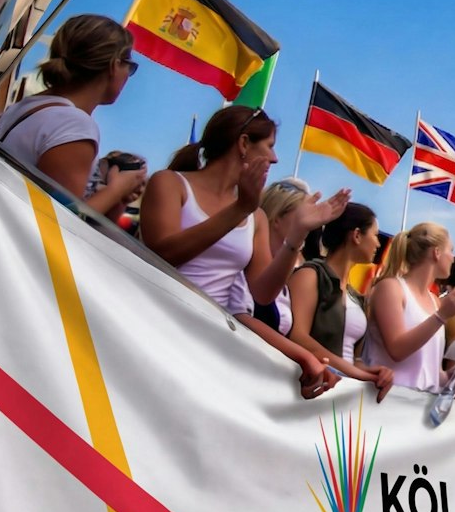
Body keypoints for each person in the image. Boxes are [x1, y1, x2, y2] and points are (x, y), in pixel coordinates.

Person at [139, 105, 349, 398]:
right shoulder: (170, 183)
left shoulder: (256, 216)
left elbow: (262, 293)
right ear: (243, 143)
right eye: (270, 146)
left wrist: (297, 234)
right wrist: (239, 209)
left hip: (209, 346)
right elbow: (162, 254)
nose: (275, 158)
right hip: (156, 326)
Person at [0, 13, 145, 217]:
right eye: (130, 67)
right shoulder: (74, 125)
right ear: (114, 66)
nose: (128, 76)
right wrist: (116, 190)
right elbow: (58, 219)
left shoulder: (27, 106)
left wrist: (117, 197)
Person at [286, 200, 395, 399]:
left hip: (341, 398)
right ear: (357, 235)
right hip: (309, 391)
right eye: (375, 235)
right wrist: (353, 372)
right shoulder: (310, 275)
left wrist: (372, 372)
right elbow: (297, 336)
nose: (379, 244)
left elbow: (353, 358)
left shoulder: (357, 297)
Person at [362, 222, 455, 391]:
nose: (453, 258)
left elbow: (429, 371)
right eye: (451, 250)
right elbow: (397, 350)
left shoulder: (435, 301)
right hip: (387, 398)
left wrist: (450, 376)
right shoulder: (391, 288)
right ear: (436, 252)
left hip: (420, 402)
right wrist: (441, 316)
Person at [256, 179, 309, 334]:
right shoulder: (247, 263)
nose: (308, 223)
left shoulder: (286, 274)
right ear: (278, 218)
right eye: (301, 216)